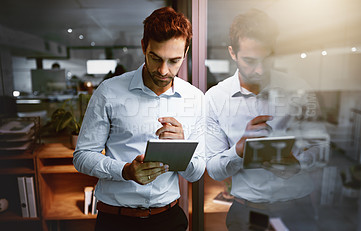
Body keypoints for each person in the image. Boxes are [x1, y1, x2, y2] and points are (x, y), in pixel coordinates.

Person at [73, 7, 205, 231]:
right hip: (116, 220)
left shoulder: (196, 98)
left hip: (169, 218)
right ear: (144, 46)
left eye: (174, 61)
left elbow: (196, 173)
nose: (163, 70)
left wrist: (182, 147)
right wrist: (125, 171)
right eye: (156, 58)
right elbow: (82, 156)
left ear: (186, 52)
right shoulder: (108, 91)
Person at [205, 9, 321, 231]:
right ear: (232, 52)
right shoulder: (214, 99)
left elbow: (321, 148)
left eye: (266, 60)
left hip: (298, 210)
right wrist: (239, 150)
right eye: (249, 60)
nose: (259, 70)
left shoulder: (301, 89)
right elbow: (215, 170)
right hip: (247, 212)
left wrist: (298, 164)